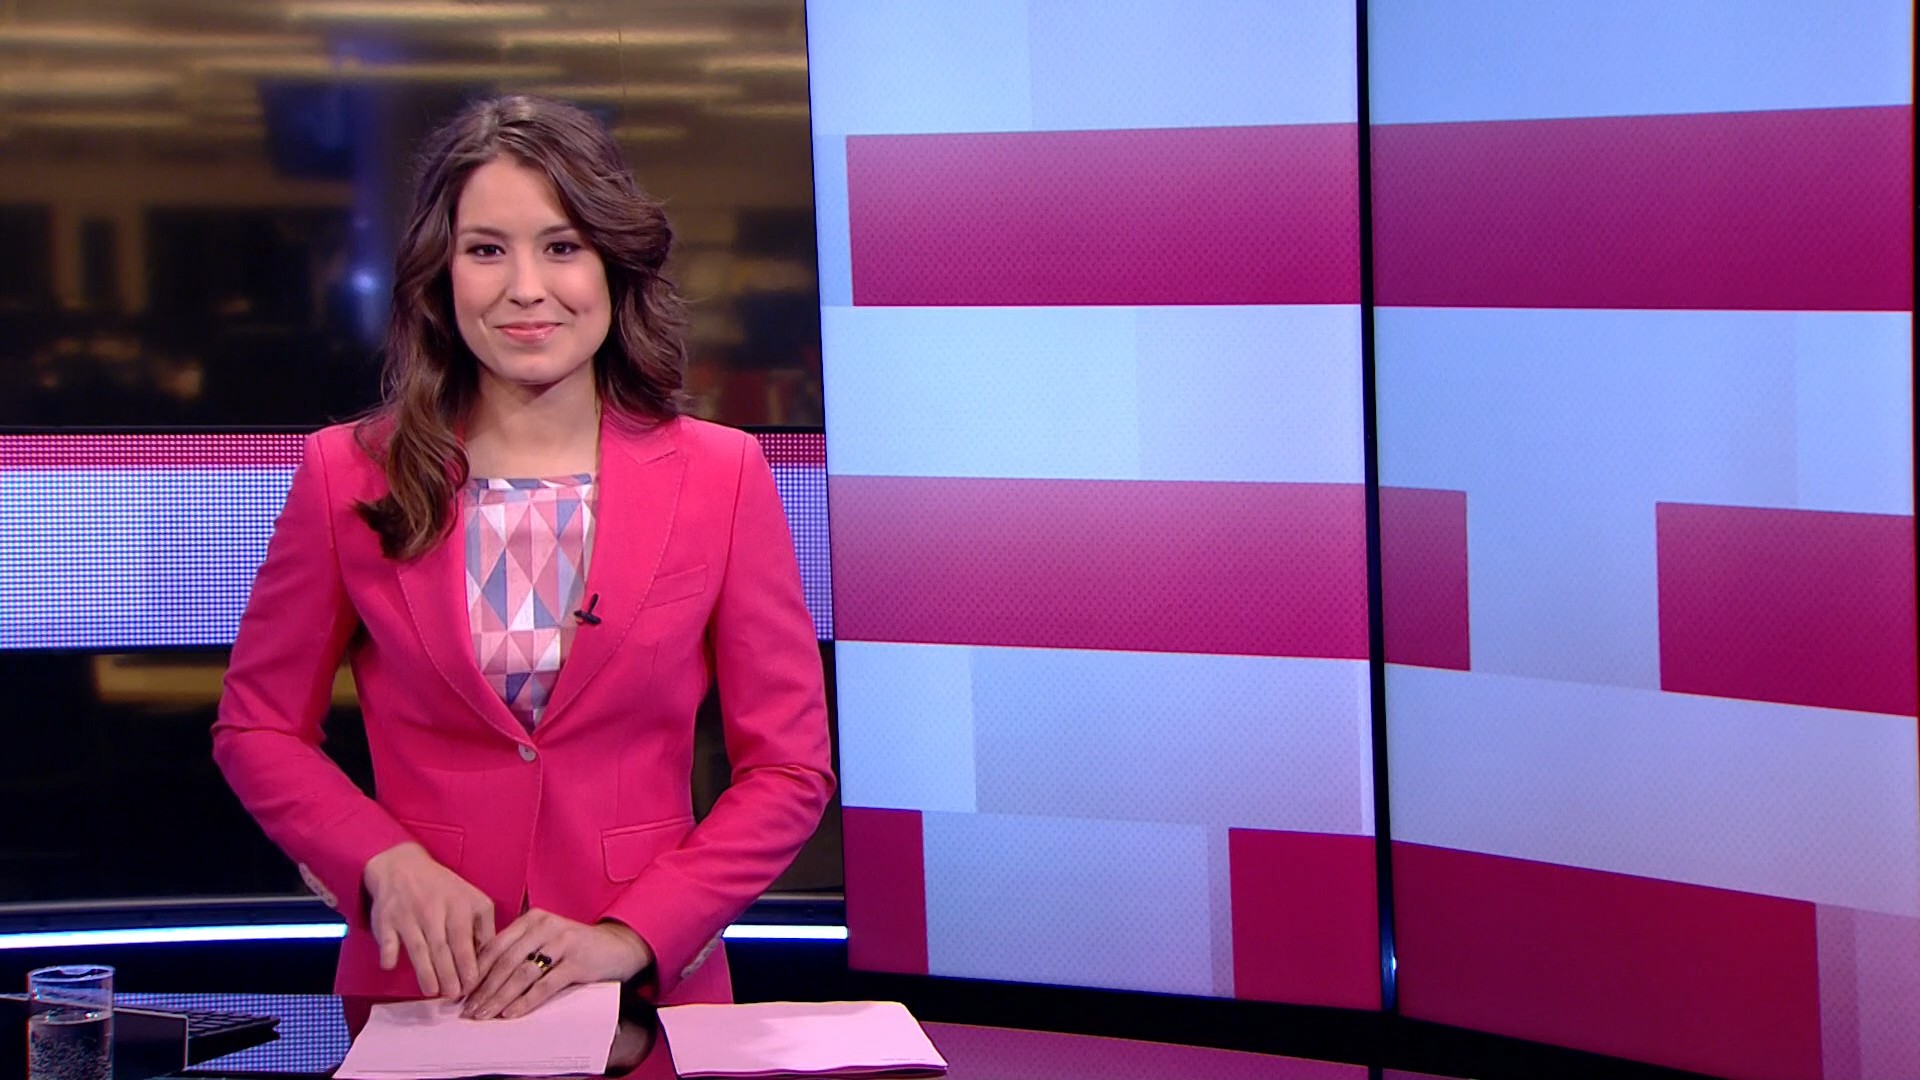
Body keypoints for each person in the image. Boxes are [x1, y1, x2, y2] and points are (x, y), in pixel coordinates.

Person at [212, 95, 834, 1019]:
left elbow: (788, 771)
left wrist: (633, 935)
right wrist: (382, 862)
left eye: (562, 246)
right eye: (486, 250)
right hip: (428, 991)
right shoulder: (347, 475)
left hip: (643, 1000)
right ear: (440, 274)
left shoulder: (722, 476)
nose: (526, 288)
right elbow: (257, 729)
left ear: (613, 263)